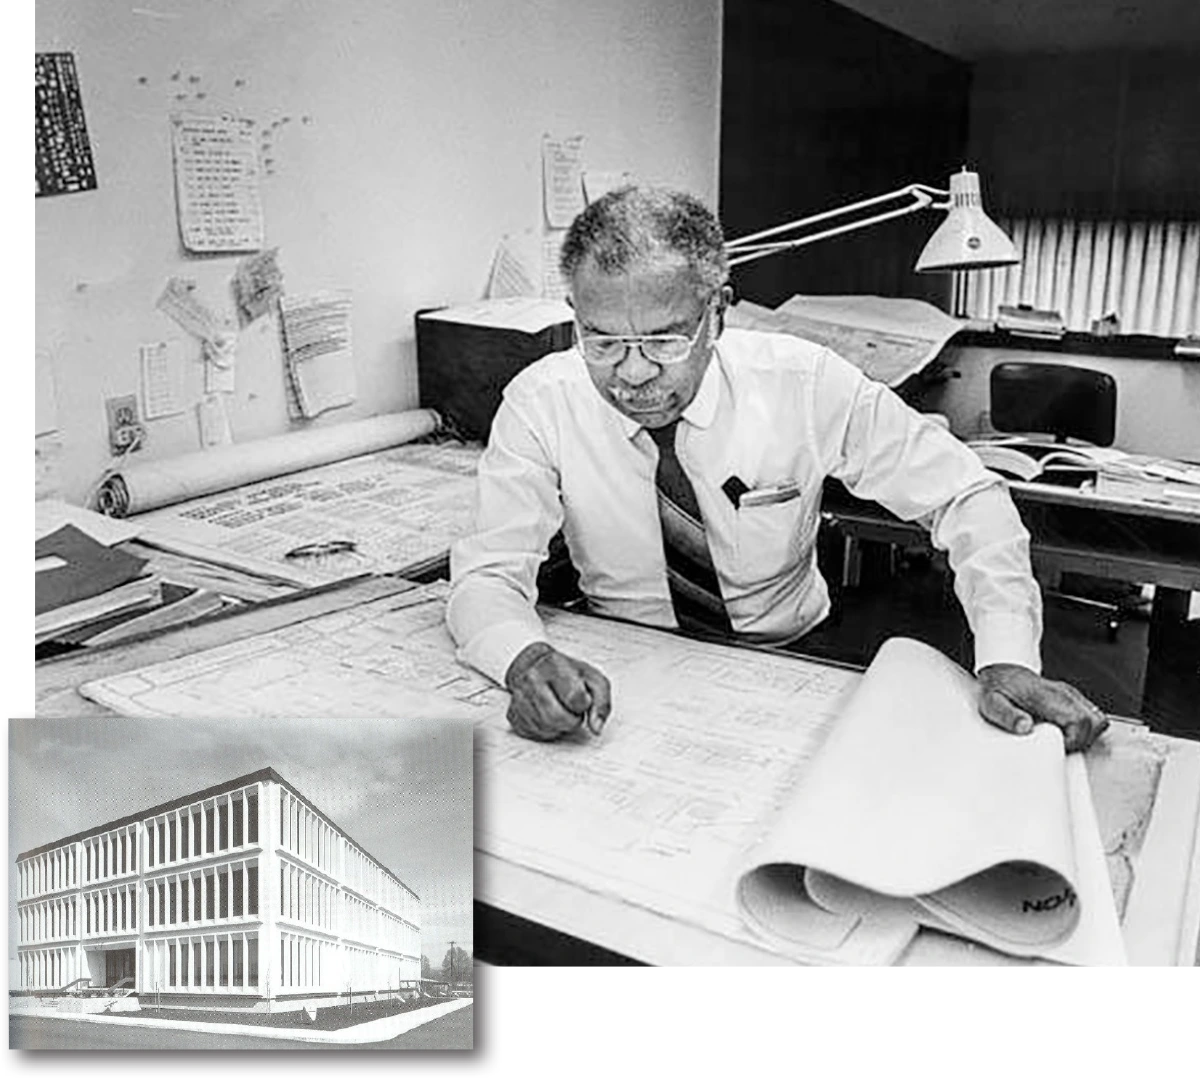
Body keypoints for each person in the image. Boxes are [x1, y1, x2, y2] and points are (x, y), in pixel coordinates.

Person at [447, 185, 1109, 752]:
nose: (634, 372)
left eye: (664, 339)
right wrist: (523, 659)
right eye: (603, 341)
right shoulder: (542, 401)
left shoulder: (802, 383)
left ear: (718, 313)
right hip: (622, 666)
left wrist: (1007, 655)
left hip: (791, 656)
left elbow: (966, 496)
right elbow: (487, 573)